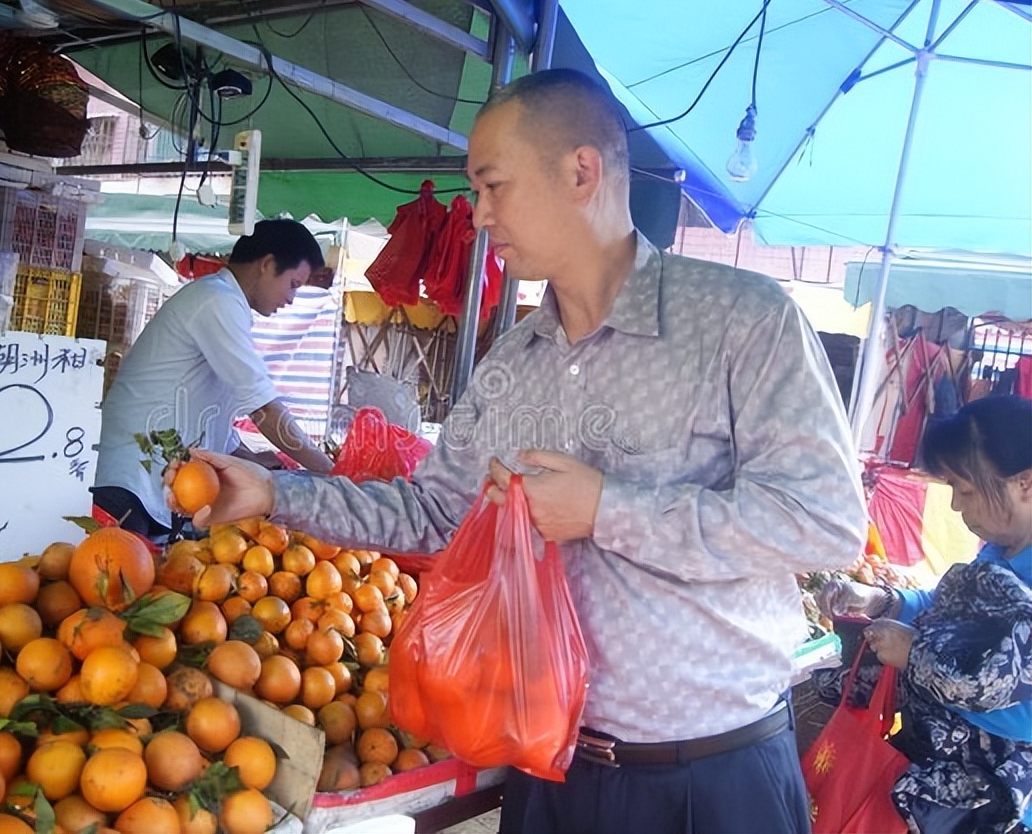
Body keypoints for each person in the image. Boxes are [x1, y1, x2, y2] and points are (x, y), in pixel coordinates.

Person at [185, 69, 867, 833]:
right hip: (550, 772)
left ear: (581, 172)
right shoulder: (512, 361)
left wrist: (606, 509)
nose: (479, 215)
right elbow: (432, 513)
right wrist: (275, 493)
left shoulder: (742, 322)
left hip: (710, 777)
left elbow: (824, 521)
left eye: (493, 186)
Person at [818, 395, 1031, 834]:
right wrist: (879, 601)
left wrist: (918, 657)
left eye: (965, 490)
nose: (955, 506)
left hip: (996, 809)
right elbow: (943, 610)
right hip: (936, 789)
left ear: (1025, 483)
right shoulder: (998, 554)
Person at [93, 218, 334, 540]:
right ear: (267, 264)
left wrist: (254, 460)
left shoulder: (227, 305)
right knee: (113, 566)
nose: (291, 298)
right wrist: (333, 474)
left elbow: (210, 415)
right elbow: (264, 410)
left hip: (158, 485)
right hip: (127, 482)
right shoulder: (216, 301)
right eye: (293, 284)